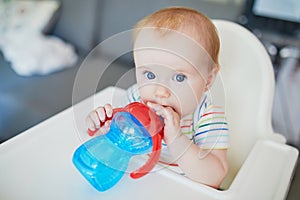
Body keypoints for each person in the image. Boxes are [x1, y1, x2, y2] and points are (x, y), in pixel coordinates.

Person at [86, 7, 229, 189]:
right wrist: (101, 127)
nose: (161, 91)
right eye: (150, 75)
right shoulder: (135, 98)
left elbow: (215, 177)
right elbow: (117, 142)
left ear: (207, 80)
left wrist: (177, 140)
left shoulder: (207, 117)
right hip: (139, 187)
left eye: (179, 77)